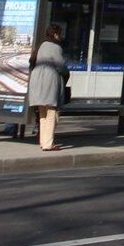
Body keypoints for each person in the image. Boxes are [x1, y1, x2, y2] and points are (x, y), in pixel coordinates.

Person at [27, 24, 69, 152]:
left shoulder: (41, 45)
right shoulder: (55, 47)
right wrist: (66, 73)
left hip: (37, 80)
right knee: (52, 113)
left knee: (42, 113)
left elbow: (32, 61)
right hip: (49, 80)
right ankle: (48, 143)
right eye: (59, 33)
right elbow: (61, 65)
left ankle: (43, 141)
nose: (60, 36)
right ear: (55, 34)